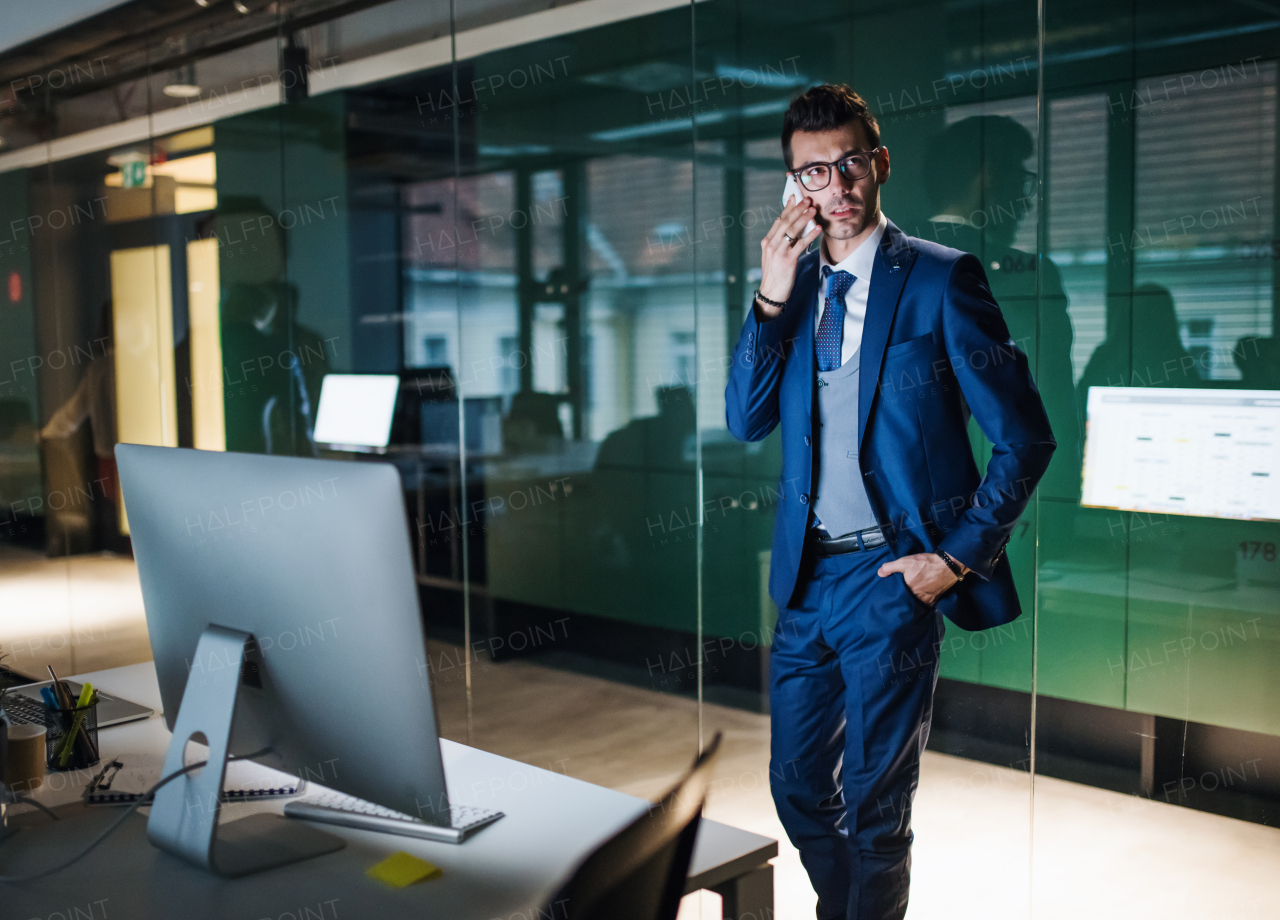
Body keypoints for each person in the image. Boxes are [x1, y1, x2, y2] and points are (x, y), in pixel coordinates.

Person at [724, 85, 1055, 920]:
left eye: (847, 164)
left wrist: (953, 559)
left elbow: (1026, 437)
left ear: (878, 163)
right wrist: (769, 290)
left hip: (890, 577)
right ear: (793, 186)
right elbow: (745, 417)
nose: (833, 187)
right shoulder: (792, 289)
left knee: (877, 807)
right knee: (797, 789)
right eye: (811, 174)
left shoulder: (942, 281)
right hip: (804, 580)